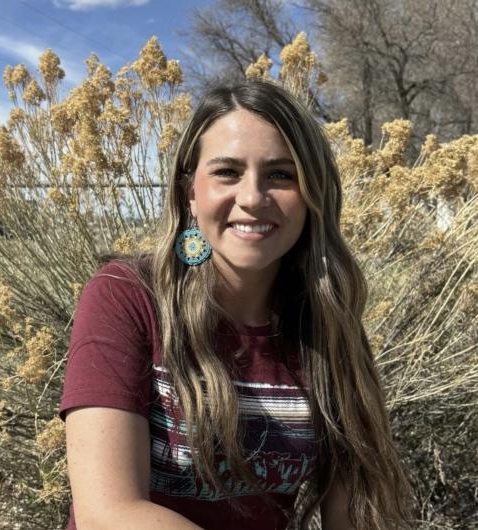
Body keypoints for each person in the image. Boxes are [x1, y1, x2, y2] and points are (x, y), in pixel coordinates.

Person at [59, 79, 412, 530]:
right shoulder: (128, 296)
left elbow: (354, 511)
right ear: (190, 190)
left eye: (281, 175)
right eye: (227, 172)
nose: (251, 198)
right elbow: (107, 512)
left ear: (311, 195)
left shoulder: (328, 321)